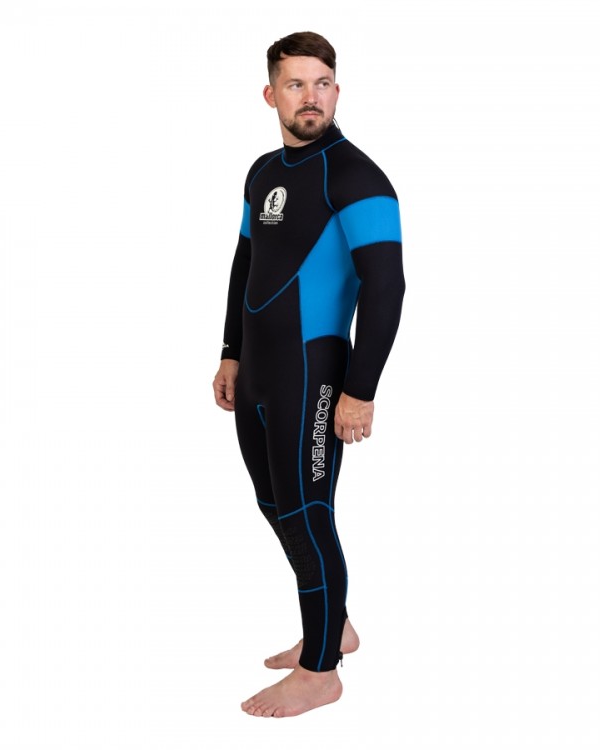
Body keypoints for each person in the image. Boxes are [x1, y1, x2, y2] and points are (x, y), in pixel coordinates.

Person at [212, 31, 405, 718]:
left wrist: (360, 391)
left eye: (322, 83)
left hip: (314, 376)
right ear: (271, 94)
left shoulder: (357, 177)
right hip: (258, 375)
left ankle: (321, 669)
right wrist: (230, 350)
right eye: (296, 84)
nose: (311, 97)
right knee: (275, 504)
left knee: (306, 511)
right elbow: (246, 262)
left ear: (337, 91)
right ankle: (335, 624)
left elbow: (387, 287)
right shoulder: (262, 172)